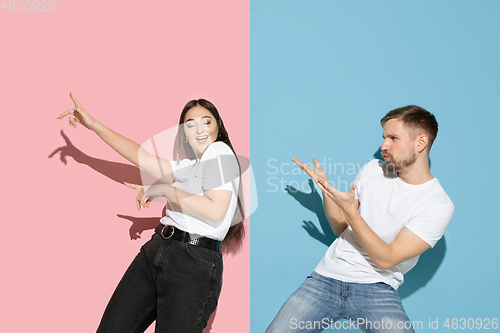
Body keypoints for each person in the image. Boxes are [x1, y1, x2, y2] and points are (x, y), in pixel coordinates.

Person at [57, 93, 244, 333]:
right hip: (155, 251)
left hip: (193, 264)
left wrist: (165, 188)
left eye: (206, 121)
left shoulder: (220, 152)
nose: (199, 129)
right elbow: (139, 155)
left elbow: (215, 210)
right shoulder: (186, 168)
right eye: (190, 124)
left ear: (218, 127)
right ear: (184, 134)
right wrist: (93, 126)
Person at [266, 105, 454, 333]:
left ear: (421, 142)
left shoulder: (438, 204)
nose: (384, 146)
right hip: (325, 278)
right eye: (384, 137)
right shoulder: (373, 170)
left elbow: (387, 259)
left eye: (393, 138)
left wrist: (351, 210)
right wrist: (327, 190)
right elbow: (340, 227)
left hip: (378, 288)